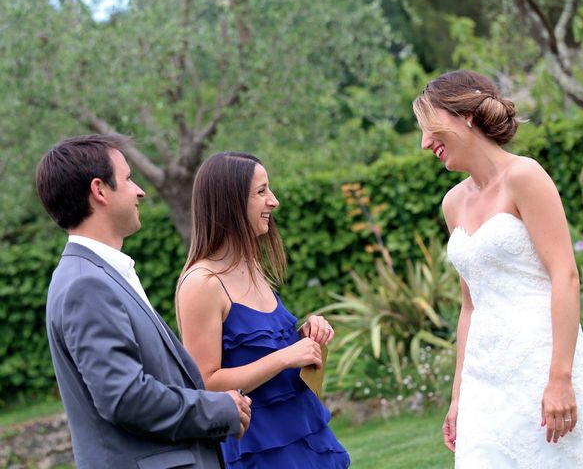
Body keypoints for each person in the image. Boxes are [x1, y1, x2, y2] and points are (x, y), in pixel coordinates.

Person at [413, 70, 583, 467]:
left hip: (543, 365)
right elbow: (470, 306)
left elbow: (565, 276)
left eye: (429, 127)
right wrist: (458, 397)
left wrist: (560, 378)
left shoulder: (525, 176)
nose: (424, 142)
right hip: (485, 378)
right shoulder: (453, 204)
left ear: (465, 115)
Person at [35, 134, 252, 469]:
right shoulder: (86, 285)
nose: (140, 190)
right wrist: (218, 409)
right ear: (100, 190)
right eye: (128, 178)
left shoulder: (98, 274)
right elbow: (125, 398)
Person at [175, 152, 350, 468]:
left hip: (304, 430)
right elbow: (205, 382)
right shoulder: (202, 283)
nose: (274, 201)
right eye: (261, 192)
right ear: (230, 202)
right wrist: (285, 357)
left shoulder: (250, 264)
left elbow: (255, 349)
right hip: (261, 448)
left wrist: (305, 335)